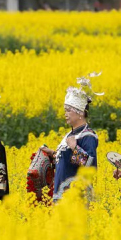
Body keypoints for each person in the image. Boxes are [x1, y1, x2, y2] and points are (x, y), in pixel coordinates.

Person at [43, 73, 101, 202]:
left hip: (76, 197)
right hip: (61, 194)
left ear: (80, 112)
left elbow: (90, 166)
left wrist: (75, 147)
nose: (65, 114)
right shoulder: (69, 135)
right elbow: (67, 161)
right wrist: (53, 153)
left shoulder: (88, 135)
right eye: (65, 110)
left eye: (69, 110)